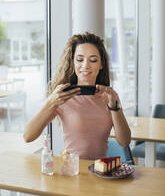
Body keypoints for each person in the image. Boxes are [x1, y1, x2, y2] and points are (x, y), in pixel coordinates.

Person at [24, 32, 131, 160]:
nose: (85, 65)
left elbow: (124, 141)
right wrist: (51, 102)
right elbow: (28, 136)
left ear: (101, 64)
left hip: (100, 172)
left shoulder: (110, 96)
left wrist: (114, 107)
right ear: (73, 62)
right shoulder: (62, 96)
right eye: (80, 59)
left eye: (93, 60)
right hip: (72, 169)